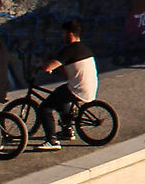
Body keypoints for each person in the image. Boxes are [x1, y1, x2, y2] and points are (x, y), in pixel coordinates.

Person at [32, 23, 99, 151]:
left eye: (63, 33)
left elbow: (48, 67)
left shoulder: (70, 50)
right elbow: (67, 72)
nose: (62, 36)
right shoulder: (84, 48)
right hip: (89, 87)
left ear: (70, 34)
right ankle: (68, 130)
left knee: (45, 108)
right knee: (60, 95)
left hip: (78, 89)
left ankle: (52, 141)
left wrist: (43, 66)